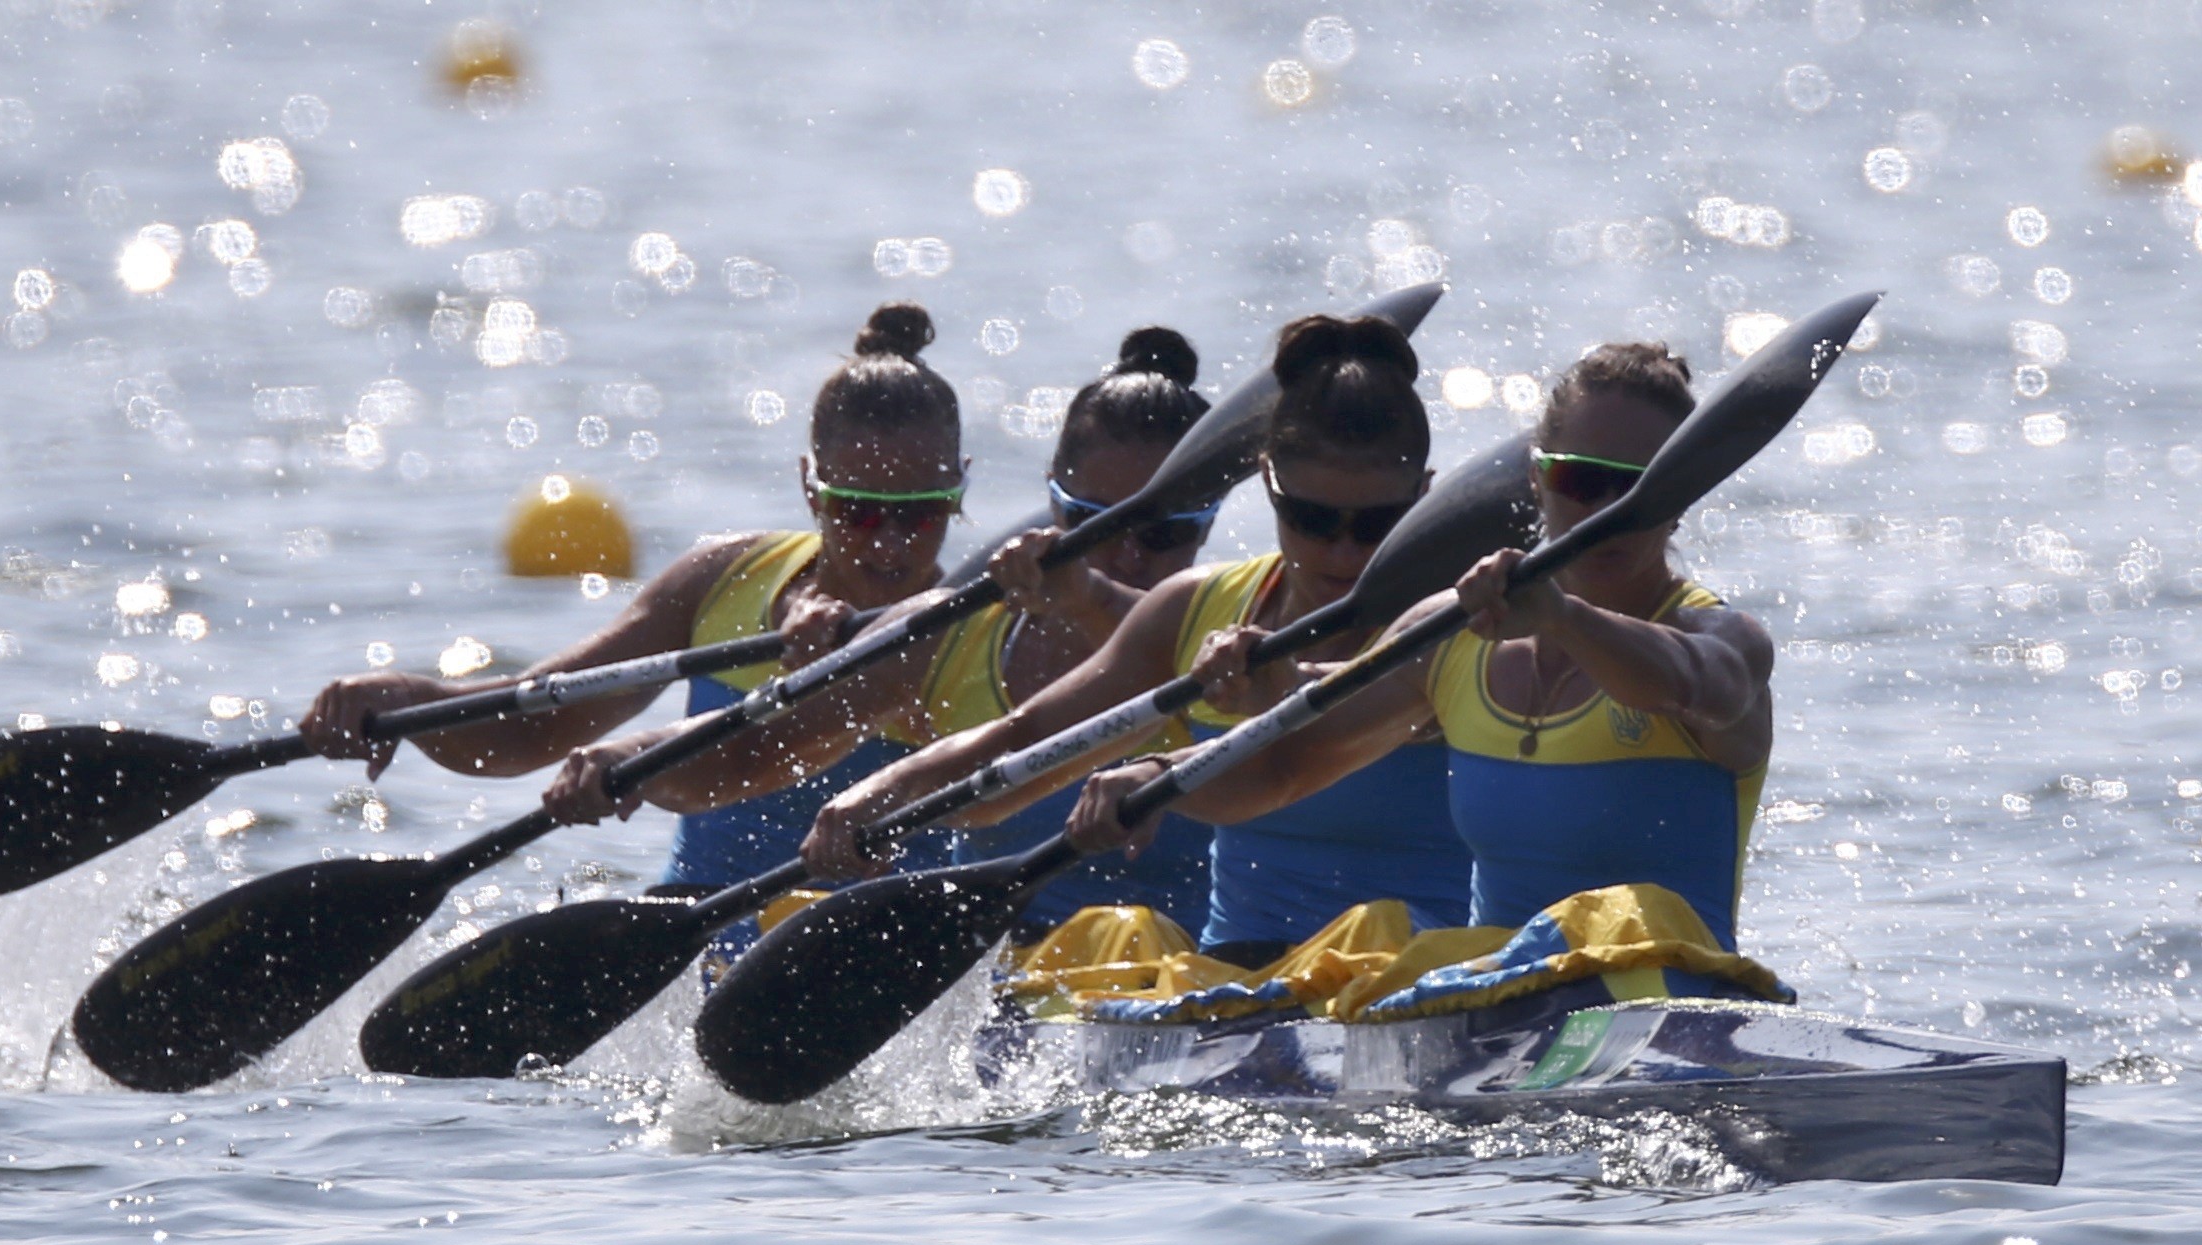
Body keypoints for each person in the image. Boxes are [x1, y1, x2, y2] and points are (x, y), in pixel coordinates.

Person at [802, 312, 1472, 968]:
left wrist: (1169, 774)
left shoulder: (1453, 623)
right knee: (1125, 935)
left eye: (1378, 523)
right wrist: (876, 798)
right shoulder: (1193, 610)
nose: (1345, 550)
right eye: (1314, 519)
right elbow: (1022, 745)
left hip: (1407, 973)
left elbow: (1291, 762)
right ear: (1268, 486)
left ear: (1426, 495)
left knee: (1372, 930)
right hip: (1233, 979)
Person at [1068, 340, 1773, 952]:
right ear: (1537, 478)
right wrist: (1161, 775)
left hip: (1668, 998)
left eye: (1637, 487)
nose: (1605, 511)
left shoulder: (1722, 641)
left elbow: (1689, 682)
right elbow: (1283, 766)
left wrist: (1565, 618)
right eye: (1581, 480)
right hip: (1496, 1012)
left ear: (1683, 494)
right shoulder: (1454, 636)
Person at [542, 326, 1221, 936]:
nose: (1131, 556)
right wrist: (632, 759)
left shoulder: (1243, 637)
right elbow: (755, 747)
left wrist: (1165, 765)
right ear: (1053, 501)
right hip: (1004, 985)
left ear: (1211, 521)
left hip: (1209, 982)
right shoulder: (953, 634)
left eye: (1167, 532)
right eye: (1097, 525)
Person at [298, 300, 967, 892]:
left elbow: (756, 758)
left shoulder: (972, 629)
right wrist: (409, 701)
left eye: (924, 513)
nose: (892, 544)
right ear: (810, 488)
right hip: (696, 933)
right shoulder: (720, 579)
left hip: (880, 957)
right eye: (863, 512)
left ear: (960, 489)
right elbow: (534, 724)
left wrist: (639, 767)